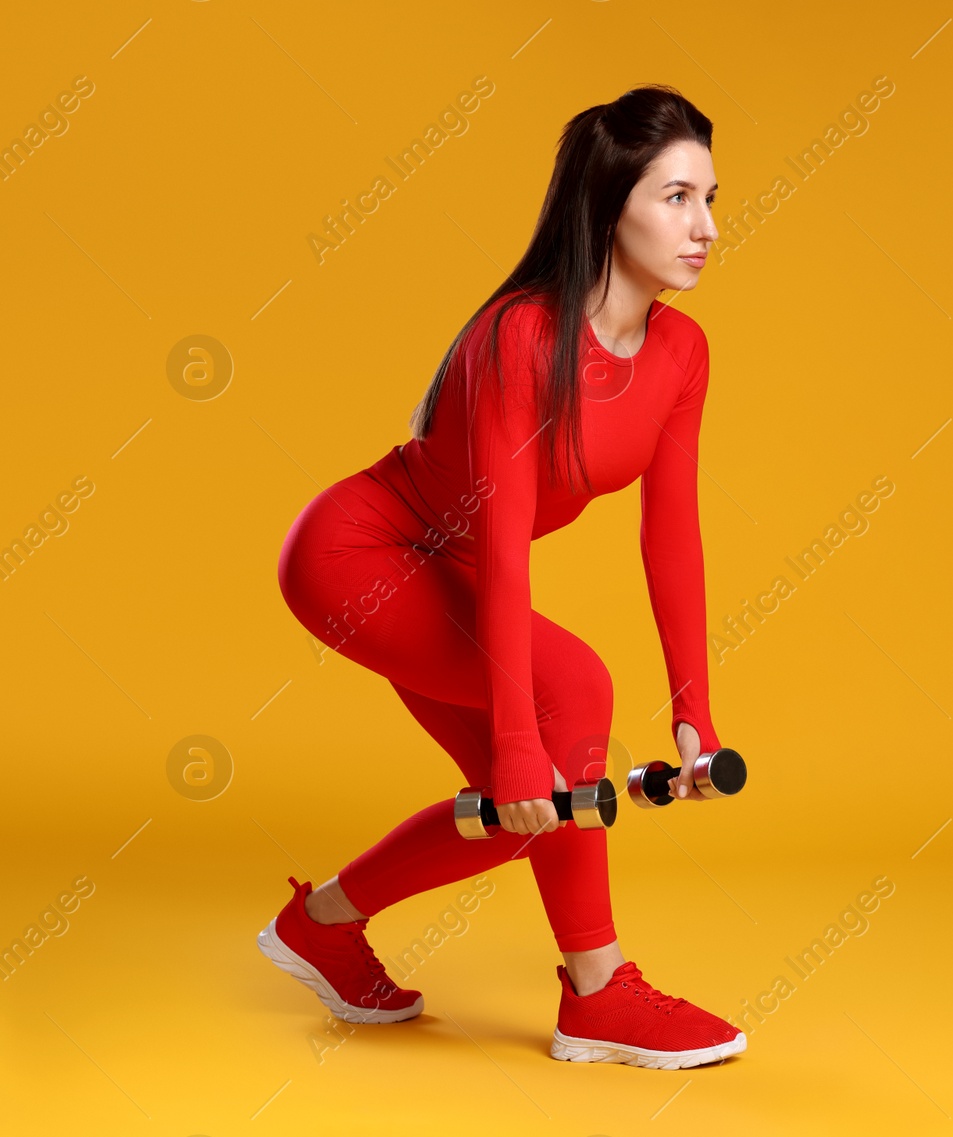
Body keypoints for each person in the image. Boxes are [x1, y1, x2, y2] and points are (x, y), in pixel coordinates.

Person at [257, 85, 745, 1071]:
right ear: (610, 208)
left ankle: (321, 924)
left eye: (710, 199)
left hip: (453, 577)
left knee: (529, 807)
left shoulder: (682, 352)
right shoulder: (519, 336)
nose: (706, 228)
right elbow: (504, 541)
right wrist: (522, 741)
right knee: (569, 701)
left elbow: (673, 534)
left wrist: (695, 712)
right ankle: (599, 993)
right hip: (360, 558)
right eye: (678, 199)